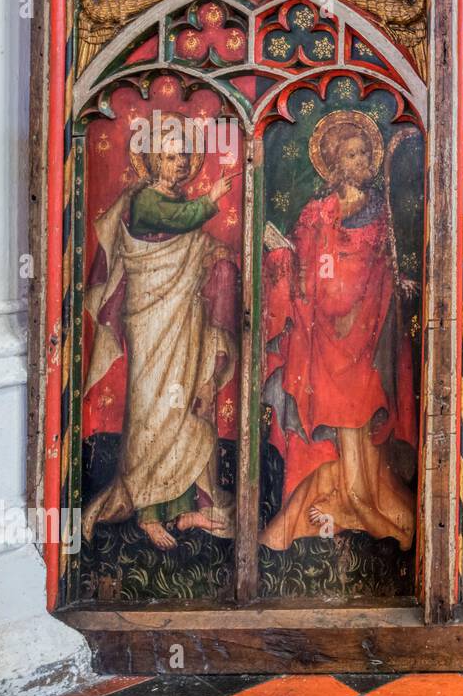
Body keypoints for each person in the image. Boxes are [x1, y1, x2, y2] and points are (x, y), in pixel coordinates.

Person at [259, 110, 417, 551]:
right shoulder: (315, 213)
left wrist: (394, 282)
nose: (361, 159)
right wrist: (280, 256)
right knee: (331, 419)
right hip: (322, 338)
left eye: (366, 151)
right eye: (351, 153)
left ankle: (361, 502)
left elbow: (382, 270)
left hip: (364, 337)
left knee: (361, 416)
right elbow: (303, 271)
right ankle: (346, 500)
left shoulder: (380, 213)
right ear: (333, 161)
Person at [83, 131, 239, 549]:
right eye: (171, 159)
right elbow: (181, 222)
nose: (182, 164)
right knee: (152, 410)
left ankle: (182, 508)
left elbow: (192, 241)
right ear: (153, 163)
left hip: (182, 320)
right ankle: (148, 512)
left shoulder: (172, 201)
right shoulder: (147, 201)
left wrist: (217, 257)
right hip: (151, 321)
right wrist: (213, 198)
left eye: (186, 156)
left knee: (184, 409)